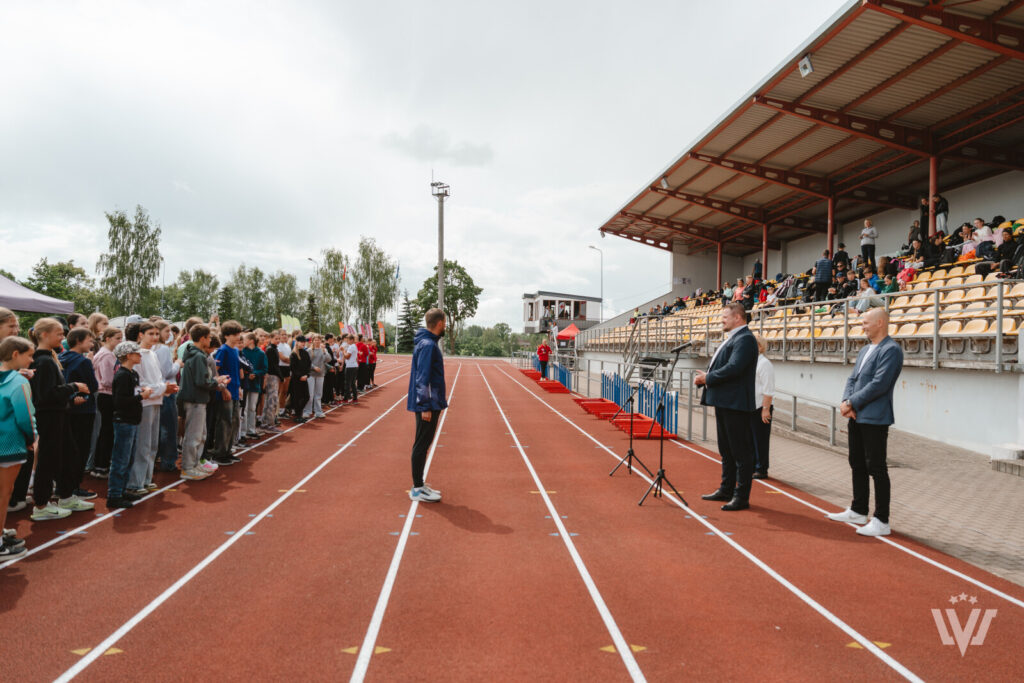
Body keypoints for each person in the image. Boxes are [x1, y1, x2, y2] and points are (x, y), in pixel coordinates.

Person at [827, 308, 903, 537]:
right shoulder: (865, 350)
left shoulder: (891, 350)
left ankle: (881, 520)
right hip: (856, 415)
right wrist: (845, 402)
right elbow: (853, 379)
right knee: (856, 463)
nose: (862, 326)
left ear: (880, 323)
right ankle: (859, 510)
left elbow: (879, 384)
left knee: (876, 467)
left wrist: (851, 403)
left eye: (866, 322)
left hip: (874, 417)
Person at [21, 318, 91, 520]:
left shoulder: (49, 359)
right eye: (59, 333)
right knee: (48, 459)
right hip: (49, 415)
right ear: (44, 335)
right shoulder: (43, 361)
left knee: (68, 454)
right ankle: (41, 505)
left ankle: (66, 496)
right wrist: (74, 387)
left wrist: (69, 395)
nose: (63, 337)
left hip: (58, 413)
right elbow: (46, 394)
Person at [694, 302, 758, 511]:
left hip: (736, 404)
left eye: (724, 317)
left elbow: (734, 368)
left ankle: (741, 496)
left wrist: (708, 378)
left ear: (737, 318)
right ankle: (726, 489)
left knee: (740, 452)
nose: (722, 320)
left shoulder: (745, 339)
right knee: (727, 450)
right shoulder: (735, 338)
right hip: (725, 402)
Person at [0, 336, 37, 559]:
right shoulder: (18, 382)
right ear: (15, 354)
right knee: (3, 494)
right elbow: (25, 416)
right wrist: (31, 439)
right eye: (29, 355)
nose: (32, 360)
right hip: (10, 445)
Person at [127, 322, 172, 495]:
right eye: (150, 334)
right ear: (140, 335)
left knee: (153, 442)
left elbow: (158, 378)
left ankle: (146, 478)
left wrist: (165, 388)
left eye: (156, 333)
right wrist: (162, 389)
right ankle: (135, 482)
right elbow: (141, 384)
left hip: (156, 400)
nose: (154, 337)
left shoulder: (152, 354)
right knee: (143, 443)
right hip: (144, 403)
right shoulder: (137, 355)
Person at [407, 308, 447, 503]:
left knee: (423, 443)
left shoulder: (427, 343)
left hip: (430, 401)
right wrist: (425, 406)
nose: (446, 326)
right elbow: (423, 378)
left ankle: (419, 484)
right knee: (422, 444)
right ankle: (416, 488)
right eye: (445, 323)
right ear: (440, 323)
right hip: (428, 403)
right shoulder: (428, 346)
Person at [107, 341, 153, 509]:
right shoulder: (123, 375)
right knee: (121, 458)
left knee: (129, 458)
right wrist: (142, 397)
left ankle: (122, 489)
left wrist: (140, 393)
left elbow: (130, 395)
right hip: (124, 421)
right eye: (137, 353)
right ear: (128, 356)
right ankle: (114, 494)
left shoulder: (132, 373)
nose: (140, 355)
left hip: (132, 420)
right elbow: (120, 401)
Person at [178, 324, 227, 481]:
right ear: (202, 338)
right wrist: (217, 384)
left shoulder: (196, 355)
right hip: (195, 399)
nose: (210, 341)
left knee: (200, 434)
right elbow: (201, 381)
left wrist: (214, 381)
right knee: (194, 435)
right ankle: (188, 467)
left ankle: (195, 463)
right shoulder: (199, 356)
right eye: (208, 338)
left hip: (197, 399)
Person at [59, 328, 99, 500]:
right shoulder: (83, 362)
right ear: (78, 341)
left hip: (66, 407)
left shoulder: (61, 358)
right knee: (81, 449)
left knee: (68, 449)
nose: (91, 344)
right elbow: (93, 385)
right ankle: (74, 487)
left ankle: (63, 485)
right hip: (83, 409)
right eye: (89, 341)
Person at [89, 327, 121, 479]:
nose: (120, 341)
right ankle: (101, 466)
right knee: (107, 431)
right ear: (107, 339)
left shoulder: (107, 354)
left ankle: (101, 465)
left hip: (106, 394)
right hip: (106, 395)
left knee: (106, 430)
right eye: (117, 338)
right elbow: (108, 380)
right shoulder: (106, 356)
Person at [750, 334, 775, 480]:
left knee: (760, 440)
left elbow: (768, 389)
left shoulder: (764, 364)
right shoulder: (752, 362)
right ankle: (754, 465)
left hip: (761, 407)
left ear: (760, 346)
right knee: (751, 439)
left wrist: (765, 409)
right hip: (752, 406)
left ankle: (761, 468)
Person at [241, 332, 269, 434]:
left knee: (252, 408)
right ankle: (243, 432)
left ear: (251, 341)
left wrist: (255, 374)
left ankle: (251, 430)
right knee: (244, 408)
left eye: (245, 339)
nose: (243, 341)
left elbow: (265, 368)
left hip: (255, 383)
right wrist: (248, 374)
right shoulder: (242, 351)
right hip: (244, 383)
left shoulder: (261, 353)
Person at [261, 331, 282, 432]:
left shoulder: (274, 349)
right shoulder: (270, 350)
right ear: (271, 338)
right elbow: (273, 365)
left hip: (274, 376)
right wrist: (281, 376)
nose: (278, 340)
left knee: (270, 400)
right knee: (271, 400)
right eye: (276, 339)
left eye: (279, 339)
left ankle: (266, 422)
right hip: (271, 376)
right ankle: (269, 423)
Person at [304, 334, 328, 420]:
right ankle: (307, 411)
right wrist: (314, 367)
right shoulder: (309, 350)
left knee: (318, 394)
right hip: (311, 374)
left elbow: (328, 359)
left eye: (319, 340)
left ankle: (318, 411)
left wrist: (324, 351)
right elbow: (307, 362)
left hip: (320, 375)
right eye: (315, 340)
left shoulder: (323, 350)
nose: (317, 341)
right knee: (310, 394)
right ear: (312, 341)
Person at [289, 335, 311, 423]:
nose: (303, 343)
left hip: (304, 378)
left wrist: (307, 375)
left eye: (304, 342)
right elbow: (293, 368)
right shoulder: (293, 354)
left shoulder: (305, 353)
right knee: (297, 397)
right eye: (302, 342)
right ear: (297, 342)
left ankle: (298, 413)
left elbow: (309, 365)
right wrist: (300, 376)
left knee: (306, 396)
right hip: (296, 379)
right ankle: (298, 415)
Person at [341, 334, 358, 403]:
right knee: (353, 383)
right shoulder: (354, 346)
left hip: (350, 366)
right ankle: (355, 398)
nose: (347, 341)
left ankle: (346, 399)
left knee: (348, 383)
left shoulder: (351, 347)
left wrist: (343, 350)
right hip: (354, 365)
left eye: (348, 339)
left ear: (351, 340)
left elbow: (347, 356)